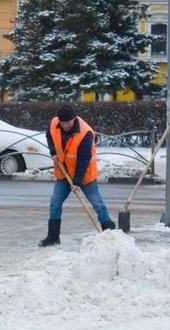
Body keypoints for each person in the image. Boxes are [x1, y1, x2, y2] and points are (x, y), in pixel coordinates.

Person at [38, 104, 115, 247]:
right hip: (63, 173)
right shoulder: (54, 123)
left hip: (84, 175)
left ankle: (110, 234)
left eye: (68, 122)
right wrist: (53, 152)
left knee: (97, 204)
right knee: (55, 203)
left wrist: (77, 181)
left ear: (74, 119)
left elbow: (84, 159)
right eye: (63, 123)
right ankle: (53, 236)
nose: (65, 125)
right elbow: (49, 135)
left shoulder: (85, 133)